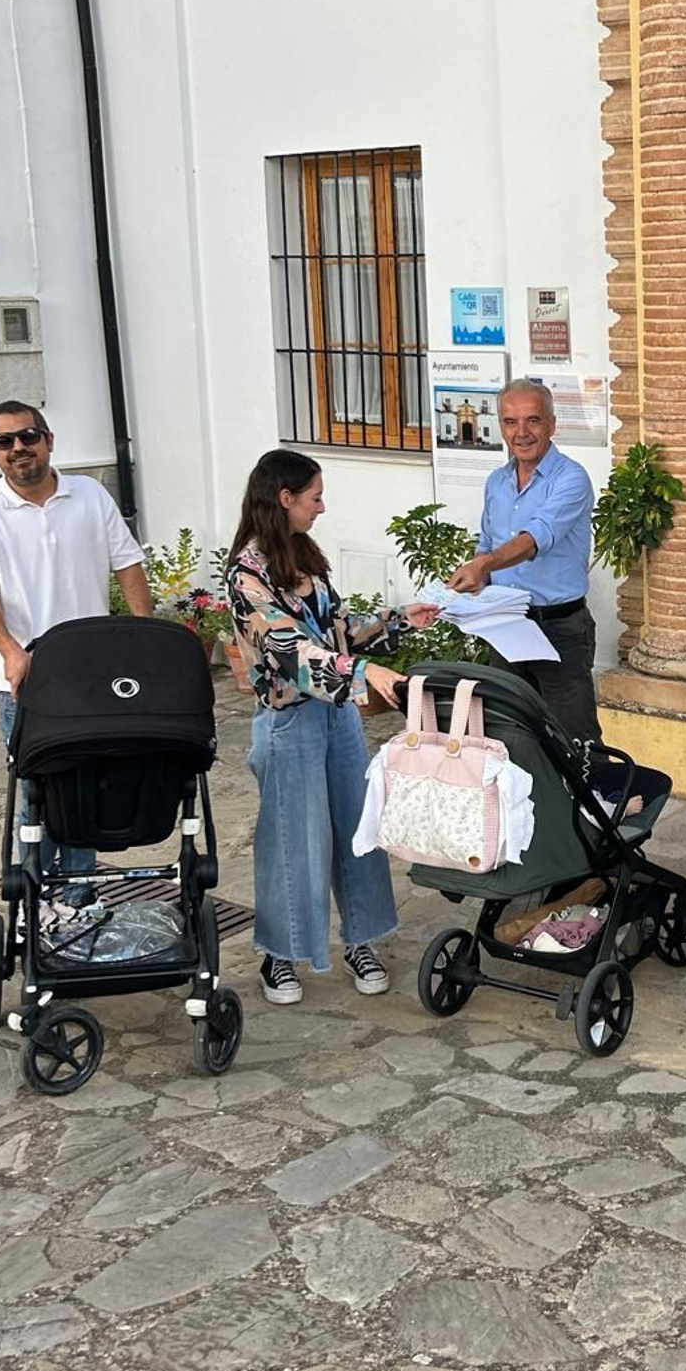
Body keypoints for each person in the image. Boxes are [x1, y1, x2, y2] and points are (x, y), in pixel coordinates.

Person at [225, 450, 440, 1007]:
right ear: (285, 498)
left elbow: (336, 636)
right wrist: (368, 673)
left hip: (337, 715)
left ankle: (362, 941)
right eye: (315, 497)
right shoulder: (246, 576)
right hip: (289, 720)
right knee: (293, 839)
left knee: (356, 830)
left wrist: (396, 622)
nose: (323, 506)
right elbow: (290, 652)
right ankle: (280, 954)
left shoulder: (306, 559)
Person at [0, 401, 152, 930]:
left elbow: (128, 564)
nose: (19, 448)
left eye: (28, 436)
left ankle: (80, 897)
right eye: (5, 442)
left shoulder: (87, 494)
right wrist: (12, 651)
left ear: (49, 439)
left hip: (95, 676)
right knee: (36, 793)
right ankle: (32, 903)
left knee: (89, 785)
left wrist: (143, 637)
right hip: (25, 681)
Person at [447, 378, 600, 746]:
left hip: (559, 628)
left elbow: (536, 538)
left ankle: (600, 802)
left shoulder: (571, 478)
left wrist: (484, 565)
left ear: (551, 424)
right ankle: (534, 805)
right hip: (505, 625)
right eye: (511, 422)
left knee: (575, 739)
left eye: (532, 420)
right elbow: (487, 544)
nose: (522, 432)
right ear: (501, 426)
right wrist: (462, 590)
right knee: (511, 734)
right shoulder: (497, 482)